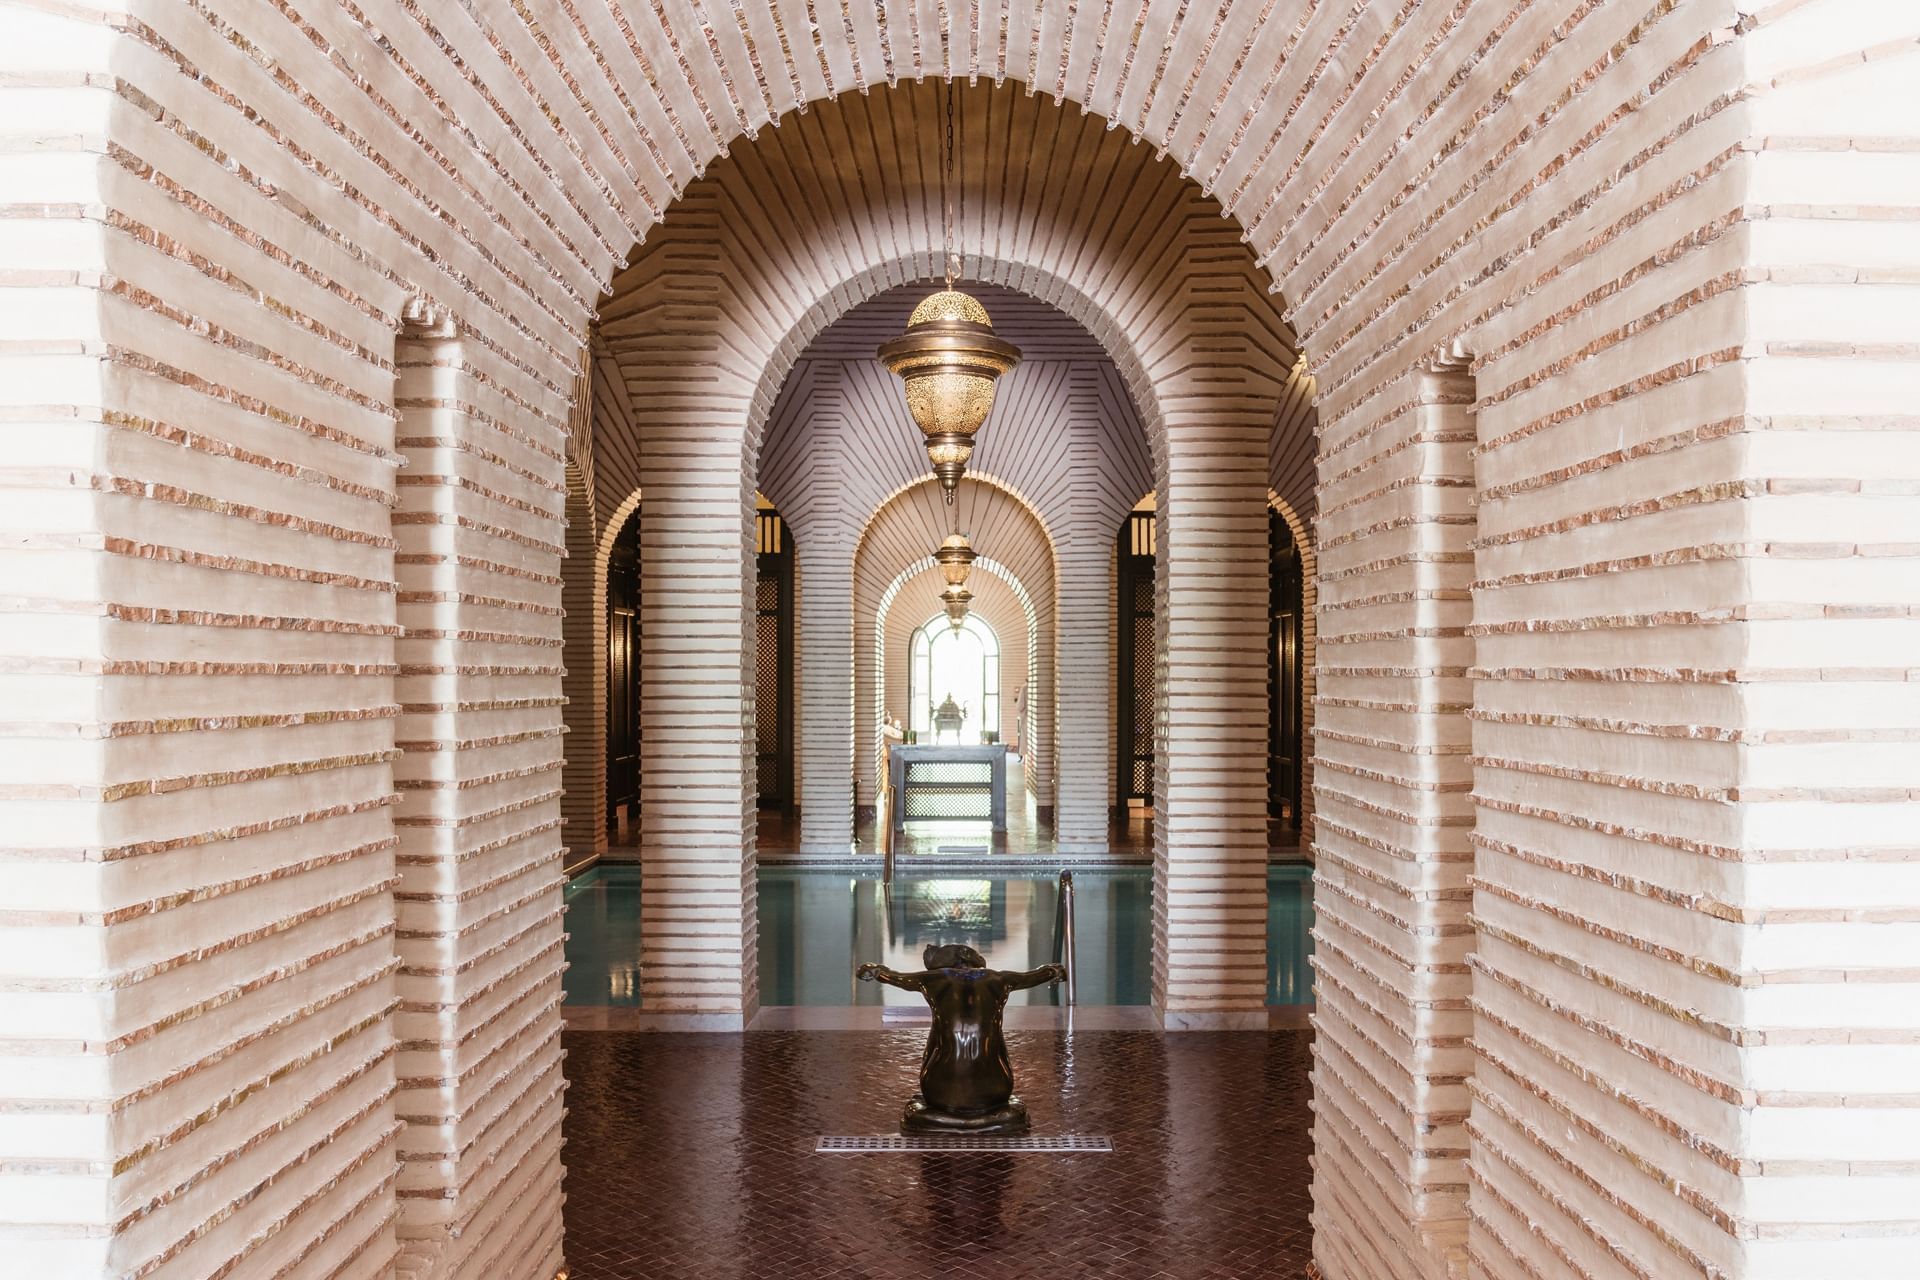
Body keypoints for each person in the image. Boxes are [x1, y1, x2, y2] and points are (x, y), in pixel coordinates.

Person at [857, 944, 1066, 1133]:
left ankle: (943, 1114)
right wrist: (1053, 970)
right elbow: (1035, 976)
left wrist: (872, 969)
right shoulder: (1000, 979)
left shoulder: (930, 980)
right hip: (996, 1089)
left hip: (940, 1091)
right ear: (966, 955)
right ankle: (990, 1115)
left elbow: (893, 976)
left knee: (937, 1047)